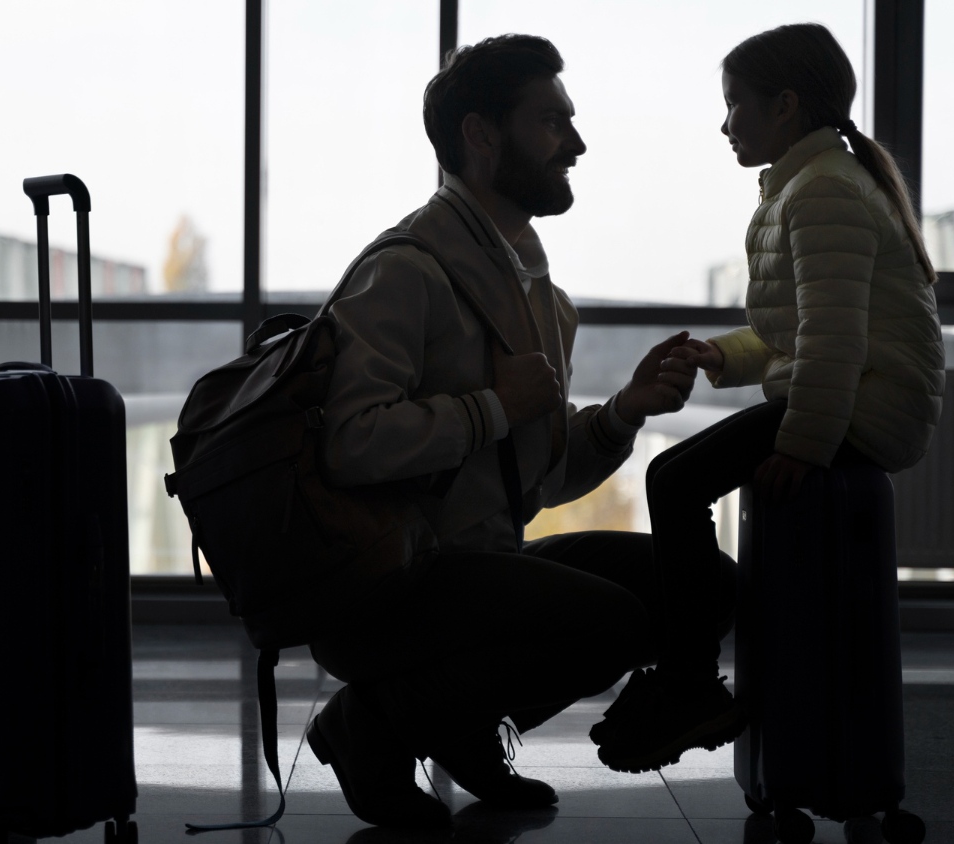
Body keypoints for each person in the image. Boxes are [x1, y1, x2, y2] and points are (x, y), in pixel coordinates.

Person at [301, 34, 735, 829]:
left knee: (705, 583)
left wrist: (622, 413)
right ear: (480, 135)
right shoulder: (404, 269)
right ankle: (375, 725)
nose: (575, 142)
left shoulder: (542, 297)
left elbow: (533, 484)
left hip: (477, 565)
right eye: (550, 121)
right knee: (615, 625)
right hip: (387, 585)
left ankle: (454, 729)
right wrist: (491, 407)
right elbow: (349, 444)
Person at [591, 23, 945, 775]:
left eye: (735, 105)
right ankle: (690, 677)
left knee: (674, 478)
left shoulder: (821, 193)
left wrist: (803, 444)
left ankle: (689, 684)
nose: (725, 125)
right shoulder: (817, 185)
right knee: (678, 477)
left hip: (867, 407)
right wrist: (723, 354)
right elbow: (797, 332)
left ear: (784, 106)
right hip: (862, 397)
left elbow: (834, 340)